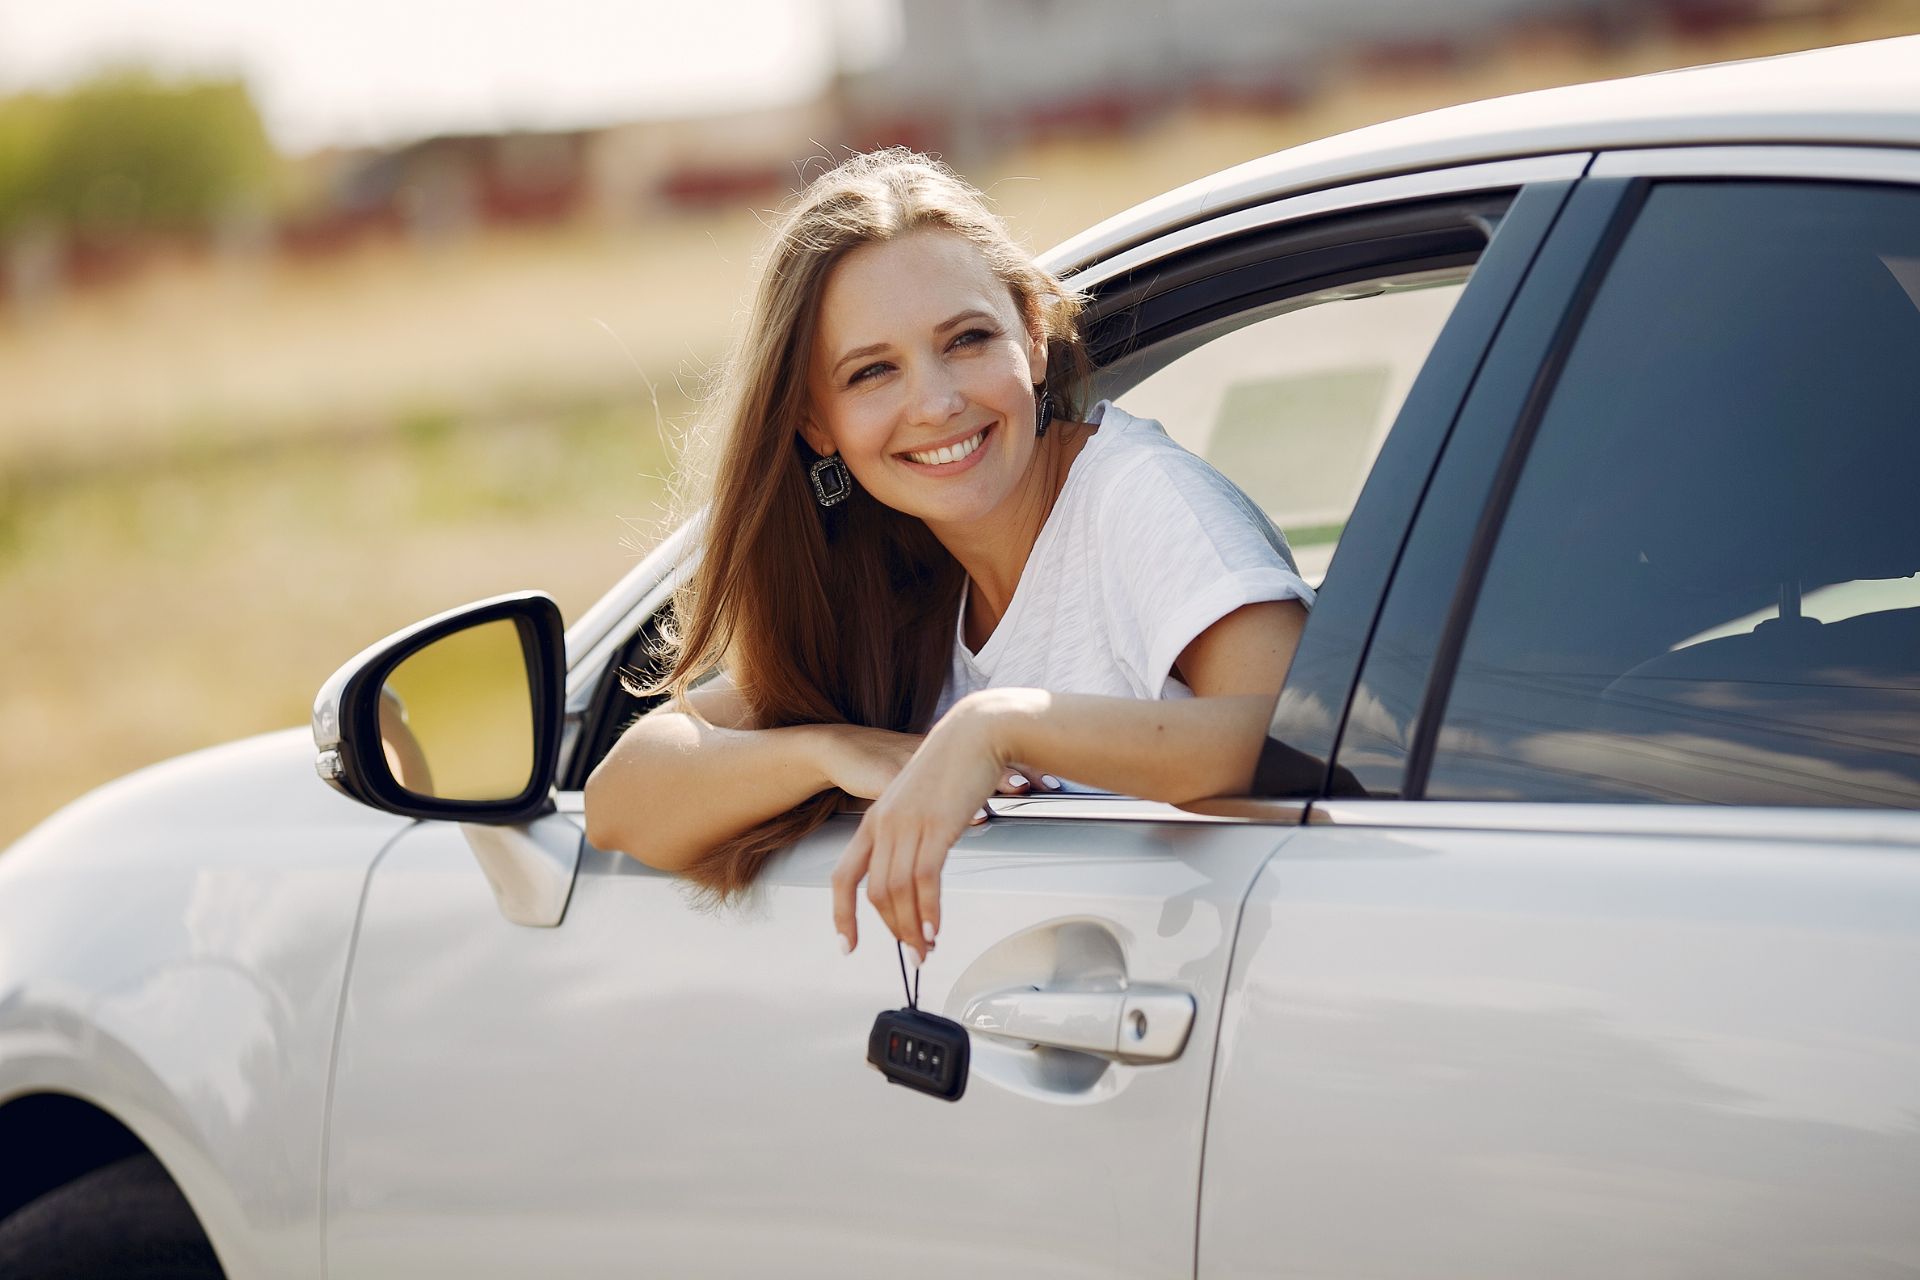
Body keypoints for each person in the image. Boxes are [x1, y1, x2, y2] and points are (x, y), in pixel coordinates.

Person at [584, 149, 1312, 964]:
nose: (934, 402)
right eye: (872, 373)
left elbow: (1313, 744)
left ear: (1032, 339)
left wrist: (999, 729)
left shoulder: (1140, 499)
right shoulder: (897, 578)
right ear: (815, 423)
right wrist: (832, 749)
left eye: (966, 340)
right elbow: (621, 799)